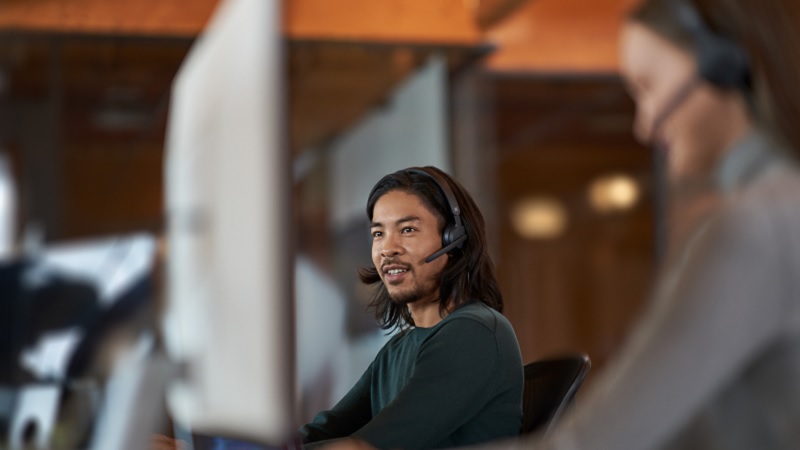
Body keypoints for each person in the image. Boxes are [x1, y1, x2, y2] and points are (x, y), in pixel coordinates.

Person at [329, 0, 800, 449]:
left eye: (650, 86)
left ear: (725, 67)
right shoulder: (773, 213)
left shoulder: (754, 230)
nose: (645, 124)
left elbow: (594, 444)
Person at [298, 166, 524, 449]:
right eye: (378, 233)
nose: (387, 248)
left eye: (407, 230)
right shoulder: (397, 350)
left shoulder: (474, 333)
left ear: (453, 239)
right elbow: (328, 429)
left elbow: (367, 447)